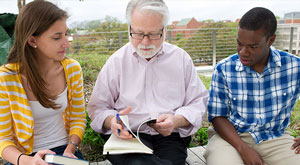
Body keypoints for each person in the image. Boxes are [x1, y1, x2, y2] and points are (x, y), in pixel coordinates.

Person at [87, 0, 209, 164]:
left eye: (153, 34)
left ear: (165, 30)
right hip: (127, 137)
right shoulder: (116, 61)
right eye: (138, 33)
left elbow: (198, 102)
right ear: (129, 28)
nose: (145, 42)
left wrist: (176, 121)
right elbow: (97, 108)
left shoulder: (181, 59)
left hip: (169, 136)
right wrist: (112, 121)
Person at [204, 7, 300, 165]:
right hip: (230, 139)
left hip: (275, 138)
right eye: (239, 44)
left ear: (270, 40)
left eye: (253, 46)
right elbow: (217, 116)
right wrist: (242, 148)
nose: (243, 52)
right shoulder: (224, 68)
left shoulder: (294, 66)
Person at [0, 1, 87, 164]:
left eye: (65, 34)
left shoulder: (72, 69)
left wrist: (71, 148)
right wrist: (27, 161)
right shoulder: (6, 78)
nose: (66, 44)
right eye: (57, 37)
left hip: (64, 151)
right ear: (32, 41)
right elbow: (3, 139)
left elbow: (78, 118)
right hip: (24, 157)